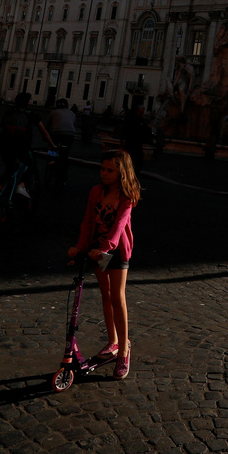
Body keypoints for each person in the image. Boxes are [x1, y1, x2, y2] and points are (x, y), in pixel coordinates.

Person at [67, 149, 140, 379]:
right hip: (97, 250)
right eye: (102, 169)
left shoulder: (126, 196)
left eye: (110, 170)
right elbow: (88, 221)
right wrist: (80, 246)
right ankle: (113, 341)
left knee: (118, 298)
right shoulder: (96, 192)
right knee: (106, 296)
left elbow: (119, 225)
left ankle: (124, 350)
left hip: (116, 251)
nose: (104, 173)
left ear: (122, 173)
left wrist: (106, 247)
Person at [0, 92, 52, 186]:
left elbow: (2, 126)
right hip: (20, 145)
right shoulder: (31, 113)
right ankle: (21, 186)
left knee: (12, 167)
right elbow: (44, 131)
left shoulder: (9, 111)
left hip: (2, 143)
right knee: (32, 165)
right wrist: (52, 144)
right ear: (27, 102)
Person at [47, 98, 78, 185]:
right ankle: (63, 178)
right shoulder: (72, 114)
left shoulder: (53, 112)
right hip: (70, 135)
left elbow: (47, 127)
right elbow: (73, 125)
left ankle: (51, 159)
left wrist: (45, 137)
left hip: (56, 133)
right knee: (65, 153)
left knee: (52, 146)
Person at [120, 106, 151, 173]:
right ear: (137, 111)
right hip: (131, 141)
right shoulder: (132, 119)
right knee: (133, 156)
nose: (142, 114)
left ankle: (133, 169)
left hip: (135, 141)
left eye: (142, 112)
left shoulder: (138, 119)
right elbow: (125, 129)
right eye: (141, 112)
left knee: (137, 157)